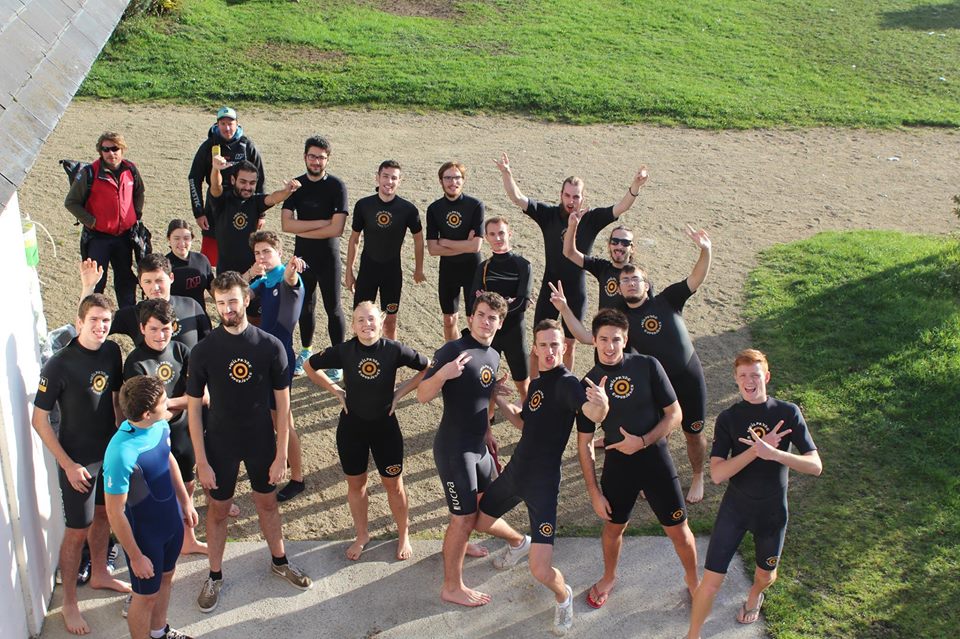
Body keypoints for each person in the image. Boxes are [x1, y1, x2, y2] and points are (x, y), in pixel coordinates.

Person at [186, 272, 312, 613]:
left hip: (260, 440)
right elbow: (194, 409)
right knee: (218, 511)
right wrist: (202, 459)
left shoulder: (270, 346)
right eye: (221, 302)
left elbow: (283, 405)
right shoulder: (203, 351)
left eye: (233, 301)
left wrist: (282, 453)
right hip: (220, 443)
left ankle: (280, 561)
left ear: (246, 299)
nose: (227, 308)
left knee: (267, 504)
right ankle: (214, 576)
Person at [476, 319, 608, 635]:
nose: (549, 351)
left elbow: (591, 413)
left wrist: (601, 407)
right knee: (479, 521)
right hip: (516, 472)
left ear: (564, 347)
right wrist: (498, 397)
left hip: (543, 487)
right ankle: (518, 542)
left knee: (540, 570)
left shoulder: (567, 384)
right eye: (544, 345)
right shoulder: (537, 383)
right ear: (535, 349)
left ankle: (564, 598)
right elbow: (524, 422)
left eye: (555, 345)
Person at [686, 350, 822, 638]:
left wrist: (776, 454)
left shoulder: (787, 413)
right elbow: (717, 474)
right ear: (736, 380)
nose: (750, 381)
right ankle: (693, 635)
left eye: (755, 375)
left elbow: (815, 466)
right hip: (735, 510)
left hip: (771, 513)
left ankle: (754, 595)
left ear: (767, 377)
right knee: (710, 583)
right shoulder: (728, 418)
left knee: (766, 576)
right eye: (743, 376)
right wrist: (755, 452)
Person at [574, 308, 699, 609]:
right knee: (613, 529)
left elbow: (675, 414)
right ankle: (609, 577)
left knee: (679, 531)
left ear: (626, 338)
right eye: (604, 339)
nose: (610, 346)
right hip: (619, 468)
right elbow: (584, 443)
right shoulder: (588, 384)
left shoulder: (647, 366)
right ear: (594, 340)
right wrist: (593, 492)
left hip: (656, 461)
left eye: (616, 339)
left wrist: (642, 441)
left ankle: (694, 581)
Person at [416, 292, 529, 607]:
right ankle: (452, 587)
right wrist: (443, 374)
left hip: (479, 446)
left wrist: (488, 430)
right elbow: (422, 395)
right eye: (481, 315)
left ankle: (465, 544)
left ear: (500, 323)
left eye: (493, 317)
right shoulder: (453, 350)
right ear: (470, 318)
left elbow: (481, 394)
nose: (486, 322)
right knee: (463, 518)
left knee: (478, 511)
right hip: (455, 450)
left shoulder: (492, 355)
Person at [495, 152, 647, 373]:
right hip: (550, 288)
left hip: (576, 291)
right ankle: (533, 388)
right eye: (567, 195)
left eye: (576, 196)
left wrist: (635, 186)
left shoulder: (591, 219)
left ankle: (564, 385)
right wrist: (507, 173)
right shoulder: (548, 214)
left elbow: (621, 207)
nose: (570, 201)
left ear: (583, 198)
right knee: (539, 343)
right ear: (561, 195)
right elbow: (518, 198)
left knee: (568, 345)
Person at [31, 294, 130, 635]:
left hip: (108, 453)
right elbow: (39, 420)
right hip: (79, 461)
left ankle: (100, 572)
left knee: (103, 515)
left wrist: (123, 441)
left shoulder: (112, 351)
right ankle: (69, 602)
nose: (101, 326)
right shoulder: (59, 364)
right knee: (76, 531)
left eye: (106, 321)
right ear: (79, 323)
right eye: (94, 320)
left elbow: (115, 401)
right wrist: (68, 465)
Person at [303, 301, 430, 560]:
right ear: (352, 325)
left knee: (394, 485)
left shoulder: (394, 350)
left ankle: (403, 533)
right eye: (360, 320)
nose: (366, 324)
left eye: (371, 319)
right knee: (356, 485)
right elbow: (309, 366)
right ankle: (362, 535)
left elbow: (428, 367)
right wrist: (336, 391)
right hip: (352, 429)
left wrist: (400, 393)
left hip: (386, 429)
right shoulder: (345, 350)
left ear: (381, 322)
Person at [618, 226, 712, 503]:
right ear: (619, 288)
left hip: (688, 377)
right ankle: (655, 476)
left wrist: (705, 250)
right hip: (658, 384)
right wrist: (565, 310)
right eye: (625, 280)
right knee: (660, 434)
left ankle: (697, 475)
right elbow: (592, 338)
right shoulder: (621, 319)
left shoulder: (668, 300)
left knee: (693, 433)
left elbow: (695, 279)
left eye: (636, 279)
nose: (631, 283)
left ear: (646, 285)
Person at [103, 375, 199, 639]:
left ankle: (159, 632)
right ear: (146, 413)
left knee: (167, 577)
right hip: (145, 537)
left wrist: (185, 501)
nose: (169, 404)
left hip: (170, 522)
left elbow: (168, 459)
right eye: (163, 401)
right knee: (144, 597)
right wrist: (135, 556)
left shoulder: (159, 424)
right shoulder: (121, 453)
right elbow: (114, 512)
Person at [122, 298, 206, 555]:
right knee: (159, 493)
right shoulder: (135, 363)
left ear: (174, 327)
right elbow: (144, 413)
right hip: (153, 439)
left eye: (166, 329)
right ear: (142, 328)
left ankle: (188, 540)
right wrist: (182, 402)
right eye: (154, 329)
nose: (161, 335)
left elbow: (203, 397)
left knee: (187, 484)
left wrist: (166, 404)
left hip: (183, 431)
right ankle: (161, 544)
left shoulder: (182, 351)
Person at [280, 135, 349, 381]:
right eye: (312, 156)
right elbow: (286, 225)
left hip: (328, 257)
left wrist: (302, 228)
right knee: (305, 306)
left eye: (321, 157)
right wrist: (322, 223)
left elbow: (337, 229)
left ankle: (338, 358)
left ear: (327, 159)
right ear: (305, 157)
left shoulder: (337, 186)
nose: (316, 161)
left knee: (333, 308)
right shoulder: (296, 186)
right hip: (304, 258)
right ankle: (306, 351)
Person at [245, 231, 307, 503]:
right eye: (257, 253)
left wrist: (292, 269)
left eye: (266, 252)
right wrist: (250, 272)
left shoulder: (285, 276)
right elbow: (239, 296)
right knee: (274, 418)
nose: (262, 257)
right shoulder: (264, 280)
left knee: (283, 420)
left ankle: (298, 479)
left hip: (280, 360)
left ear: (279, 253)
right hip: (264, 357)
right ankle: (289, 458)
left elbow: (291, 279)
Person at [344, 160, 426, 341]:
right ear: (377, 177)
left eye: (394, 178)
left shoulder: (408, 209)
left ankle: (391, 356)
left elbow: (419, 239)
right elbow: (354, 238)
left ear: (400, 181)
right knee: (361, 319)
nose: (389, 181)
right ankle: (358, 355)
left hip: (392, 273)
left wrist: (419, 269)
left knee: (390, 322)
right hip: (367, 272)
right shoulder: (364, 205)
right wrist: (349, 271)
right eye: (385, 176)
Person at [64, 132, 144, 308]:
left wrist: (135, 215)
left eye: (115, 148)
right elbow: (71, 202)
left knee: (125, 279)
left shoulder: (131, 170)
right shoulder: (89, 173)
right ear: (100, 151)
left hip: (124, 237)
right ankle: (94, 316)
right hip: (98, 239)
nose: (110, 153)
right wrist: (91, 221)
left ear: (122, 149)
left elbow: (139, 192)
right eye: (105, 149)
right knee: (96, 282)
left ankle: (128, 315)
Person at [81, 253, 212, 351]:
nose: (155, 287)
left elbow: (208, 346)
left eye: (159, 280)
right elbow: (83, 329)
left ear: (171, 278)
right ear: (140, 282)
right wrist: (88, 287)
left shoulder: (191, 306)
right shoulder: (133, 314)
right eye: (148, 281)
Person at [188, 106, 265, 267]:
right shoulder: (208, 146)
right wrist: (199, 212)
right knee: (211, 259)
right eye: (223, 123)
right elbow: (194, 179)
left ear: (237, 124)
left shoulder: (247, 146)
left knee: (245, 253)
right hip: (216, 206)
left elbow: (260, 179)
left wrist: (261, 214)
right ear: (217, 124)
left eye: (230, 123)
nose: (227, 128)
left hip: (244, 206)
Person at [469, 216, 533, 402]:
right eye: (492, 234)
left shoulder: (523, 265)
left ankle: (528, 415)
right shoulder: (483, 267)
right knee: (487, 383)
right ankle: (487, 417)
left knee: (523, 384)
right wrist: (507, 302)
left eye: (501, 233)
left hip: (514, 333)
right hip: (489, 334)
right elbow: (473, 302)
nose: (497, 238)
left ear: (509, 234)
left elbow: (522, 303)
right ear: (486, 237)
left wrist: (489, 305)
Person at [207, 155, 300, 277]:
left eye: (252, 183)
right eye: (243, 182)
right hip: (226, 272)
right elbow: (215, 186)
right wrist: (216, 169)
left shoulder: (255, 201)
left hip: (254, 270)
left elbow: (273, 198)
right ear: (233, 180)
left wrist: (287, 191)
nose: (247, 187)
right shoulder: (222, 200)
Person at [426, 161, 484, 341]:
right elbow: (433, 249)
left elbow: (476, 247)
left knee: (473, 319)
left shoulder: (475, 205)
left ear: (463, 180)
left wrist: (445, 243)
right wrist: (464, 244)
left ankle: (475, 356)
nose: (453, 182)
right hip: (448, 270)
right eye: (448, 178)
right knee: (449, 320)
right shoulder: (434, 209)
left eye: (457, 177)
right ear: (441, 181)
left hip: (473, 269)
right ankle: (453, 353)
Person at [563, 215, 636, 311]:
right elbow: (569, 252)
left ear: (632, 248)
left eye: (625, 243)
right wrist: (572, 226)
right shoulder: (602, 268)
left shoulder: (639, 277)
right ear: (609, 245)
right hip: (603, 321)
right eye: (615, 241)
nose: (619, 246)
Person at [165, 219, 214, 307]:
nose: (182, 243)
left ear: (192, 238)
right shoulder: (163, 266)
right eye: (176, 238)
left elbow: (214, 291)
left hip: (200, 314)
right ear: (169, 239)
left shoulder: (202, 260)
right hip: (174, 314)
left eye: (186, 238)